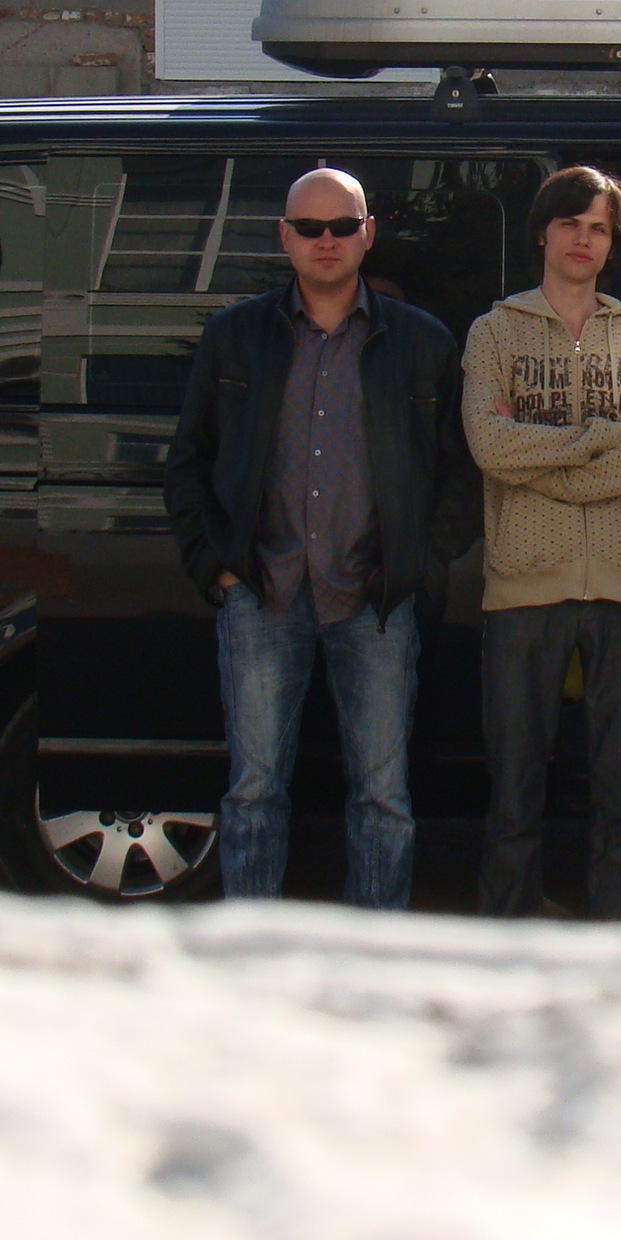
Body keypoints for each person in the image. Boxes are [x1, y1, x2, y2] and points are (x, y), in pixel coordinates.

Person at [163, 167, 466, 911]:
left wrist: (417, 565)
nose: (325, 240)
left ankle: (371, 951)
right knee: (255, 791)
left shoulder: (422, 342)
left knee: (383, 796)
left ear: (368, 233)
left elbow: (459, 474)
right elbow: (187, 463)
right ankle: (255, 950)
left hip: (376, 602)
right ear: (285, 237)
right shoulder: (235, 337)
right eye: (309, 227)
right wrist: (217, 569)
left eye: (342, 226)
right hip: (261, 593)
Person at [462, 166, 621, 919]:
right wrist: (598, 438)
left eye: (599, 228)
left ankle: (616, 949)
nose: (584, 240)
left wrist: (541, 462)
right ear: (543, 233)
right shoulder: (494, 332)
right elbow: (489, 445)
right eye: (570, 224)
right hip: (523, 583)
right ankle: (508, 946)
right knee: (514, 796)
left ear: (613, 243)